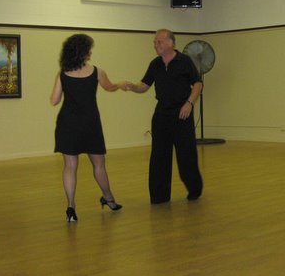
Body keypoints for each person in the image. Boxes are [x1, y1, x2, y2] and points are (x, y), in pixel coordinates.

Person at [50, 34, 125, 222]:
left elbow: (54, 100)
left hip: (68, 123)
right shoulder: (97, 72)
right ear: (83, 52)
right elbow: (110, 87)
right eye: (89, 49)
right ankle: (108, 198)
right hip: (90, 123)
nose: (90, 52)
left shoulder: (62, 73)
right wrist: (120, 85)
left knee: (70, 167)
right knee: (99, 165)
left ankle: (71, 208)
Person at [126, 29, 203, 204]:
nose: (155, 45)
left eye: (159, 42)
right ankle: (159, 196)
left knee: (186, 154)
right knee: (159, 155)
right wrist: (133, 87)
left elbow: (198, 84)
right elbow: (144, 85)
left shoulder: (184, 61)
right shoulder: (155, 64)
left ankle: (194, 189)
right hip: (161, 113)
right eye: (154, 42)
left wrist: (189, 103)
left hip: (182, 113)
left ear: (170, 43)